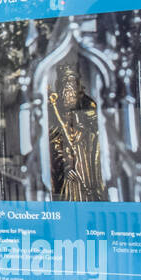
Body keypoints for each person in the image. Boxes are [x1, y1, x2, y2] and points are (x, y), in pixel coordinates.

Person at [48, 64, 104, 201]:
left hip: (85, 167)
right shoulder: (55, 118)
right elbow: (53, 146)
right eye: (65, 90)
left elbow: (97, 137)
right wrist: (65, 165)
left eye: (72, 90)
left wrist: (83, 131)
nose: (68, 94)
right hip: (68, 174)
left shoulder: (88, 111)